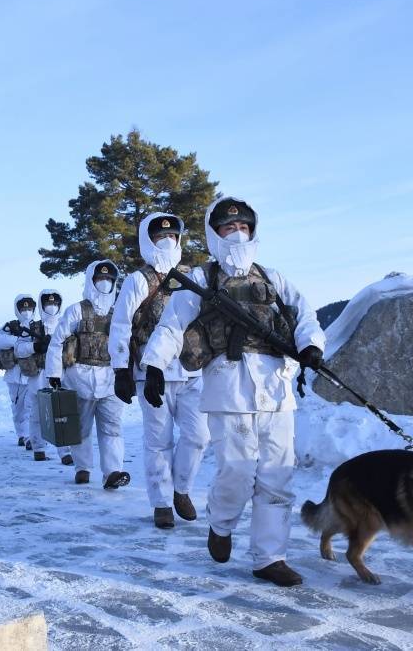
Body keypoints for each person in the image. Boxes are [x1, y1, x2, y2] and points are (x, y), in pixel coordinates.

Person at [141, 196, 326, 587]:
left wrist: (311, 345)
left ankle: (269, 557)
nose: (237, 234)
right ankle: (222, 523)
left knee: (278, 475)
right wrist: (155, 365)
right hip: (228, 386)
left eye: (243, 227)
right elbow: (172, 326)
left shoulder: (272, 277)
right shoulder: (201, 281)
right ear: (214, 234)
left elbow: (304, 313)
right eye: (228, 228)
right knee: (237, 472)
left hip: (275, 387)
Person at [109, 213, 207, 529]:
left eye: (173, 236)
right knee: (158, 441)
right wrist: (120, 370)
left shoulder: (194, 276)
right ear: (147, 241)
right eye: (159, 236)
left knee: (198, 436)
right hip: (151, 375)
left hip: (191, 370)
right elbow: (121, 326)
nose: (167, 241)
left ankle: (182, 489)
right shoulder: (138, 281)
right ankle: (162, 503)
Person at [45, 260, 130, 488]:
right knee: (81, 428)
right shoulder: (77, 310)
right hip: (79, 378)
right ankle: (82, 467)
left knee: (112, 428)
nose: (105, 283)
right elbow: (57, 342)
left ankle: (113, 472)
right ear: (91, 281)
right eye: (100, 279)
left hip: (111, 378)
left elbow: (128, 343)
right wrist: (54, 373)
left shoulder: (119, 311)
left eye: (109, 280)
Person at [0, 294, 43, 455]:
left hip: (33, 373)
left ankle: (30, 437)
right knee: (18, 408)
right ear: (18, 309)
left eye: (29, 308)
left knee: (31, 406)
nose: (26, 311)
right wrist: (18, 341)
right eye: (23, 308)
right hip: (14, 374)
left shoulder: (38, 325)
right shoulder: (11, 326)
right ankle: (21, 434)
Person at [32, 288, 74, 465]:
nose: (52, 306)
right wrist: (35, 347)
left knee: (61, 412)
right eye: (48, 303)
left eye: (55, 303)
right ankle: (38, 448)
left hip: (61, 373)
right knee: (37, 414)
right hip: (38, 374)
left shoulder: (66, 323)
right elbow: (19, 348)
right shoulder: (33, 327)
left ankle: (65, 452)